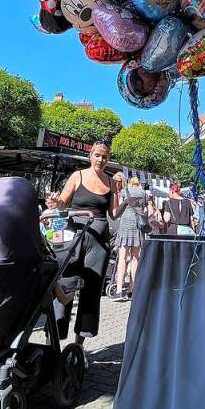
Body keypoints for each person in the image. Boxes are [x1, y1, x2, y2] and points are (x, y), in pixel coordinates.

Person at [46, 142, 126, 345]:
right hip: (74, 237)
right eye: (97, 155)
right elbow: (63, 202)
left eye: (105, 157)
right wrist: (56, 204)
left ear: (108, 158)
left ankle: (78, 346)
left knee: (91, 290)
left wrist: (127, 202)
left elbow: (113, 214)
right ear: (91, 155)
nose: (101, 160)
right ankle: (53, 342)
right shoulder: (78, 176)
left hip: (99, 241)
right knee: (65, 282)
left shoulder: (110, 181)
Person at [112, 175, 147, 301]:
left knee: (122, 258)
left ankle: (120, 289)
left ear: (130, 183)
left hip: (125, 225)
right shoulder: (143, 193)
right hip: (137, 227)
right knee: (135, 259)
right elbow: (145, 209)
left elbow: (118, 210)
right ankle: (132, 289)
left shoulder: (124, 191)